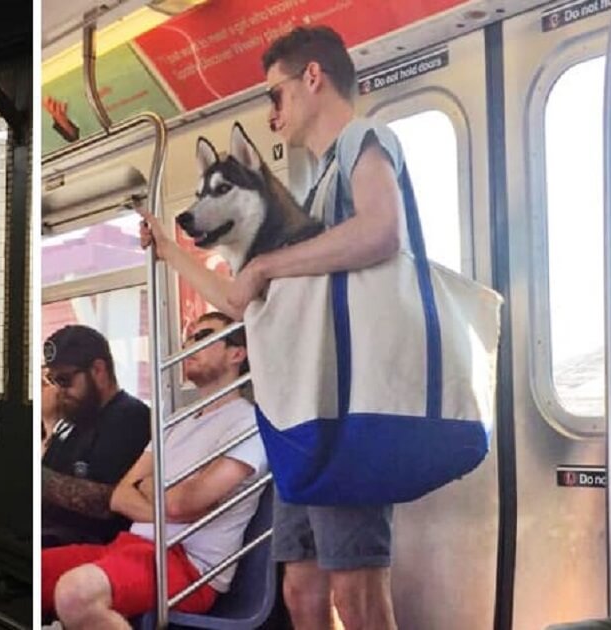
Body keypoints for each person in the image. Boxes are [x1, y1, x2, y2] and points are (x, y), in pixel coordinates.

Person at [140, 25, 407, 630]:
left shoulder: (367, 140)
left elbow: (382, 230)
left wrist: (264, 265)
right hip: (299, 421)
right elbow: (241, 302)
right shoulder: (314, 193)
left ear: (312, 77)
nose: (271, 112)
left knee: (358, 597)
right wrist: (169, 249)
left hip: (345, 414)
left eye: (275, 94)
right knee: (302, 591)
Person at [42, 312, 267, 628]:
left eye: (202, 337)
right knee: (35, 572)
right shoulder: (174, 422)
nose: (189, 346)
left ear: (237, 354)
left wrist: (148, 485)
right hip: (131, 547)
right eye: (187, 339)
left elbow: (183, 502)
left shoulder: (250, 423)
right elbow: (120, 497)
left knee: (75, 594)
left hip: (188, 564)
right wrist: (167, 494)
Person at [41, 325, 150, 548]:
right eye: (53, 381)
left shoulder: (131, 417)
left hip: (89, 544)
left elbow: (107, 503)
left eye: (65, 380)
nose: (59, 390)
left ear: (98, 370)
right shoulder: (74, 416)